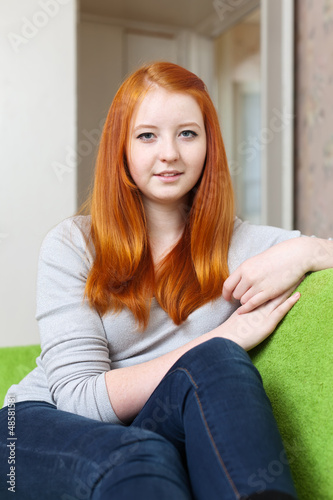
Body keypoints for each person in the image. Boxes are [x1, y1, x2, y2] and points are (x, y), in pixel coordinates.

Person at [1, 62, 332, 500]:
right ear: (121, 148)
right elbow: (79, 398)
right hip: (32, 426)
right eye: (147, 135)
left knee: (214, 366)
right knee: (140, 453)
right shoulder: (72, 244)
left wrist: (307, 250)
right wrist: (227, 335)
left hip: (144, 431)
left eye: (188, 133)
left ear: (209, 145)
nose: (170, 153)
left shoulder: (243, 245)